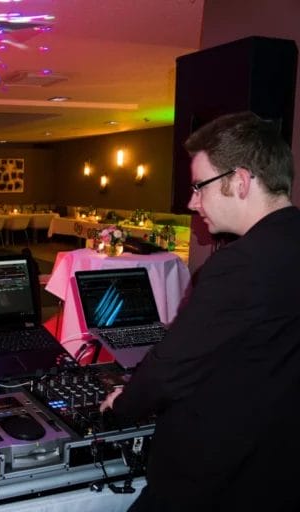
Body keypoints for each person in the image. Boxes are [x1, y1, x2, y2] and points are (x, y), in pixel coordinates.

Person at [99, 112, 300, 511]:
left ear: (240, 181)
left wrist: (119, 406)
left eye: (199, 186)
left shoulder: (240, 264)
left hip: (214, 479)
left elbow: (170, 369)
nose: (192, 202)